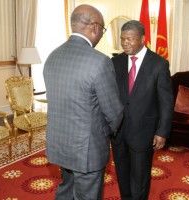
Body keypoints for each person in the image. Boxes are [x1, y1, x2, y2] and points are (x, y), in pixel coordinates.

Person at [43, 4, 123, 200]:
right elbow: (114, 113)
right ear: (94, 27)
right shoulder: (99, 61)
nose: (102, 35)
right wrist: (107, 133)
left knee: (66, 188)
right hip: (87, 149)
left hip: (60, 143)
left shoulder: (52, 56)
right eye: (103, 30)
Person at [111, 20, 174, 200]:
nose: (125, 43)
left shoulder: (159, 64)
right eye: (122, 39)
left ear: (143, 39)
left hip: (143, 132)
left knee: (139, 179)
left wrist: (162, 132)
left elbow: (166, 102)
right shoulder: (115, 62)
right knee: (122, 175)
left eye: (130, 39)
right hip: (119, 132)